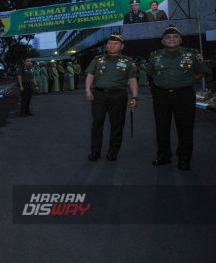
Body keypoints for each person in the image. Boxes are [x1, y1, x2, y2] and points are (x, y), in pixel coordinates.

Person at [147, 25, 209, 170]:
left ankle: (184, 158)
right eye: (168, 38)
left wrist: (187, 81)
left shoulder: (192, 54)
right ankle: (164, 155)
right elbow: (151, 72)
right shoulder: (155, 55)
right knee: (162, 126)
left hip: (184, 95)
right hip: (161, 95)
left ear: (180, 40)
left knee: (185, 127)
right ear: (163, 41)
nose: (172, 39)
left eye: (175, 37)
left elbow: (201, 72)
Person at [85, 33, 139, 161]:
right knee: (97, 123)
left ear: (121, 46)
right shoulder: (98, 60)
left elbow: (132, 80)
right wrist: (88, 90)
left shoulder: (127, 62)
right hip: (99, 95)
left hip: (118, 95)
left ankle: (113, 151)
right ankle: (95, 152)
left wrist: (135, 97)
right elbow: (90, 76)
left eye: (115, 44)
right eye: (109, 43)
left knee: (117, 124)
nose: (111, 46)